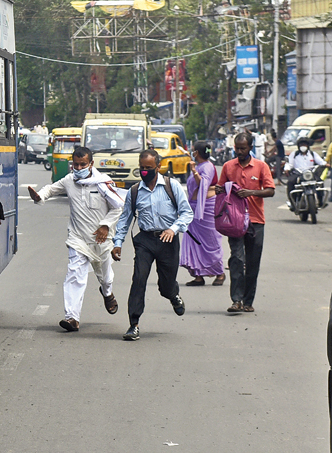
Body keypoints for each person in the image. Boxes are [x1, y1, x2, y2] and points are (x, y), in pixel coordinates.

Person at [28, 146, 125, 332]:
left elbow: (117, 207)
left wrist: (105, 225)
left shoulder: (103, 183)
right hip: (78, 238)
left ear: (91, 164)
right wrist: (39, 195)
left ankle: (107, 292)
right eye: (75, 164)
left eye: (83, 164)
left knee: (105, 278)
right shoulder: (69, 180)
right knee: (74, 275)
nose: (78, 168)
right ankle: (72, 317)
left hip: (101, 241)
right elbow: (51, 189)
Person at [112, 149, 193, 341]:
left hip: (168, 240)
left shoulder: (171, 186)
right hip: (145, 241)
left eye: (149, 168)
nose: (145, 171)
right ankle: (134, 324)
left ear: (158, 167)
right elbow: (125, 219)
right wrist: (118, 243)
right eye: (142, 168)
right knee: (139, 279)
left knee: (165, 286)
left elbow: (186, 213)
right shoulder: (134, 191)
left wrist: (173, 229)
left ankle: (172, 295)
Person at [216, 132, 275, 314]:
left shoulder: (261, 166)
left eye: (243, 148)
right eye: (237, 148)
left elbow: (270, 190)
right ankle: (236, 300)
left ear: (250, 147)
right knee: (236, 259)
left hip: (256, 221)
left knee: (252, 262)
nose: (239, 151)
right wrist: (220, 190)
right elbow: (221, 188)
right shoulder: (228, 166)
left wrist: (251, 192)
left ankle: (248, 301)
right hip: (235, 222)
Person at [180, 141, 225, 286]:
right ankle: (198, 275)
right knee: (193, 240)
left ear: (197, 153)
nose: (192, 153)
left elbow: (203, 184)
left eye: (193, 150)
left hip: (207, 207)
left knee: (210, 240)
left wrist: (194, 171)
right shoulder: (199, 166)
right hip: (194, 208)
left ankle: (220, 273)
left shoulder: (208, 166)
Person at [285, 136, 327, 209]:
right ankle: (293, 203)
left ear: (308, 145)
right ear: (298, 146)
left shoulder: (312, 154)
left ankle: (320, 202)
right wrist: (287, 168)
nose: (303, 146)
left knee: (320, 182)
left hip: (310, 174)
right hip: (298, 174)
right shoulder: (294, 154)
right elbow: (289, 163)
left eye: (305, 144)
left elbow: (321, 162)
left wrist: (326, 164)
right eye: (301, 145)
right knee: (290, 182)